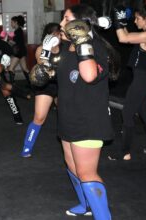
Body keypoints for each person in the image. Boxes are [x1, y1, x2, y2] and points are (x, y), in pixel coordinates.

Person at [54, 4, 120, 219]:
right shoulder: (67, 47)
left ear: (80, 25)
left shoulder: (96, 48)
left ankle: (104, 216)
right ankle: (85, 205)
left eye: (66, 19)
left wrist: (83, 41)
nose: (62, 24)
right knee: (73, 167)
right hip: (68, 116)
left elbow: (89, 75)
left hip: (89, 120)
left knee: (86, 172)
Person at [109, 3, 146, 160]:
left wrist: (118, 20)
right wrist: (122, 22)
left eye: (138, 18)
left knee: (127, 113)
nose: (135, 21)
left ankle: (124, 152)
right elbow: (127, 37)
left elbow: (122, 37)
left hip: (143, 79)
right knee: (145, 114)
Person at [20, 23, 60, 157]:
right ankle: (27, 147)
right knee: (39, 117)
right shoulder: (41, 49)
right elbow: (42, 65)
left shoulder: (66, 48)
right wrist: (48, 49)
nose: (56, 36)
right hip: (46, 86)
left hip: (62, 85)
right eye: (53, 34)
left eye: (58, 33)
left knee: (67, 115)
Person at [7, 15, 31, 86]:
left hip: (18, 52)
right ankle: (32, 84)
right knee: (25, 69)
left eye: (12, 22)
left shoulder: (18, 31)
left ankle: (12, 85)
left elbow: (15, 43)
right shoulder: (19, 30)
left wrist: (8, 40)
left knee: (11, 69)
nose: (11, 24)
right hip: (22, 51)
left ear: (16, 22)